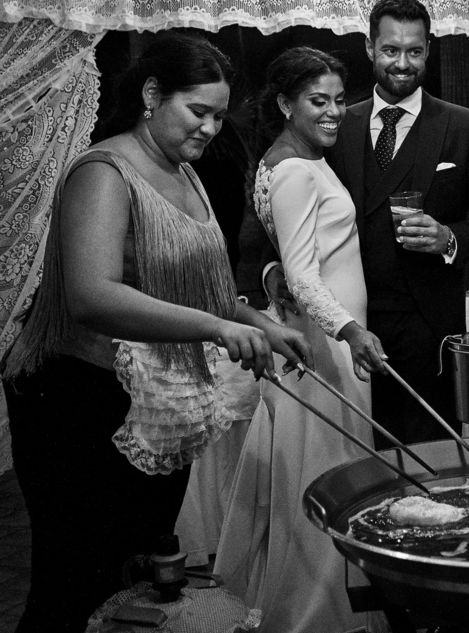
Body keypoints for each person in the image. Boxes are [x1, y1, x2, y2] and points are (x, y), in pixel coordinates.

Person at [0, 33, 311, 633]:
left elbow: (205, 294)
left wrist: (259, 325)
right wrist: (218, 328)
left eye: (219, 116)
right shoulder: (102, 171)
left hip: (151, 400)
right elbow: (93, 296)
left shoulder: (186, 174)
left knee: (138, 576)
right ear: (151, 94)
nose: (211, 129)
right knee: (76, 583)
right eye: (198, 111)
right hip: (78, 402)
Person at [266, 0, 469, 445]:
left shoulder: (463, 126)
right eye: (391, 50)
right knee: (356, 458)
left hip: (426, 330)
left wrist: (448, 237)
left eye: (415, 51)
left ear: (428, 50)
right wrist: (271, 273)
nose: (403, 63)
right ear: (369, 48)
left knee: (429, 460)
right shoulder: (336, 124)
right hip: (343, 327)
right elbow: (287, 211)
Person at [214, 47, 388, 633]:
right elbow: (302, 274)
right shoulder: (292, 169)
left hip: (332, 336)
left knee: (339, 469)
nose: (335, 112)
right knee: (326, 475)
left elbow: (279, 263)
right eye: (319, 101)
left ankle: (339, 599)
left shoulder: (299, 157)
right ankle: (315, 612)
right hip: (325, 345)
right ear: (286, 104)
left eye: (340, 99)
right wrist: (351, 329)